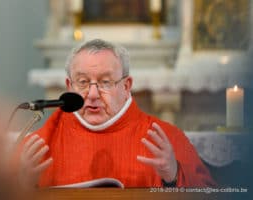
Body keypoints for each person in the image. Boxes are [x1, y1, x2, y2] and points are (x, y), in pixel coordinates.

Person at [16, 39, 216, 188]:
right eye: (83, 82)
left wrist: (174, 176)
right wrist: (20, 184)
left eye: (105, 82)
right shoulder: (39, 145)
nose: (92, 95)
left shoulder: (166, 140)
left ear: (126, 86)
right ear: (69, 87)